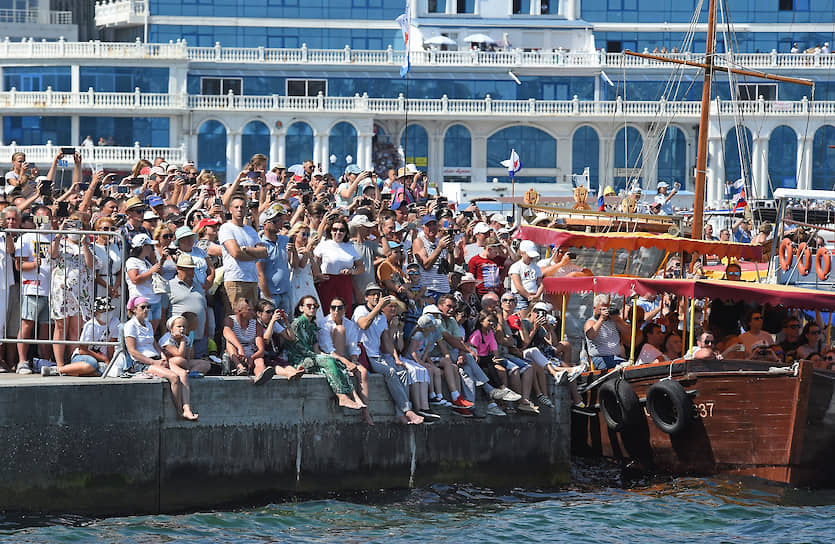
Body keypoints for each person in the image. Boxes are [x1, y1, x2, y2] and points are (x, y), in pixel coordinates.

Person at [353, 283, 424, 424]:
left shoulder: (380, 317)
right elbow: (363, 325)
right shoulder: (360, 309)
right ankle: (407, 410)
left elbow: (386, 340)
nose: (376, 296)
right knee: (390, 371)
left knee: (403, 371)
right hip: (364, 355)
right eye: (372, 294)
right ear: (366, 297)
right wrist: (378, 308)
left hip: (377, 355)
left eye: (378, 294)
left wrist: (397, 358)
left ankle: (400, 414)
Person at [124, 296, 199, 421]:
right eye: (143, 307)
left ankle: (187, 408)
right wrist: (153, 362)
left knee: (183, 375)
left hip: (156, 359)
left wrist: (162, 356)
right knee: (174, 378)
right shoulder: (130, 326)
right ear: (134, 309)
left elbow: (154, 343)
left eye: (148, 307)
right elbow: (133, 351)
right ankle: (180, 411)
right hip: (141, 363)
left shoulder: (148, 324)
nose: (146, 310)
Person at [285, 295, 366, 410]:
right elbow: (301, 349)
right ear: (301, 308)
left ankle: (353, 395)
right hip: (299, 359)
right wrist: (323, 357)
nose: (312, 308)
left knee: (336, 361)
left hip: (312, 357)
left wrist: (326, 356)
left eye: (315, 306)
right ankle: (342, 396)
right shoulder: (297, 323)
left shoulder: (312, 325)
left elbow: (316, 349)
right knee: (329, 361)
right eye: (309, 305)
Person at [317, 296, 374, 425]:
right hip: (331, 357)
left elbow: (353, 346)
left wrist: (353, 361)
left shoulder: (350, 324)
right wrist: (346, 362)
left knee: (363, 372)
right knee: (339, 329)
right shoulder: (323, 323)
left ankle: (366, 412)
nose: (336, 310)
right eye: (333, 307)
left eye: (339, 307)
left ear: (345, 309)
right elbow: (328, 349)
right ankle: (353, 397)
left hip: (346, 358)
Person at [50, 214, 97, 365]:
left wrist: (84, 244)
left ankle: (73, 362)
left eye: (78, 225)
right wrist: (59, 233)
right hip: (61, 291)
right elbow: (52, 254)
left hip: (81, 292)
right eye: (71, 225)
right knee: (61, 326)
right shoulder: (61, 242)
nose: (74, 228)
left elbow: (92, 265)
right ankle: (60, 364)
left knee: (76, 329)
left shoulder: (88, 245)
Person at [16, 205, 56, 374]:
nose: (43, 222)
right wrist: (34, 264)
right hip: (32, 288)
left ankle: (45, 361)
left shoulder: (55, 236)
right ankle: (22, 361)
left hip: (52, 291)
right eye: (40, 218)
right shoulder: (26, 238)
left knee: (46, 328)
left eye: (46, 218)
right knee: (27, 325)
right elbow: (19, 265)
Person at [42, 297, 119, 377]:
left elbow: (111, 345)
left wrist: (110, 361)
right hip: (82, 357)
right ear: (96, 313)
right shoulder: (90, 325)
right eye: (103, 311)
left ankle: (71, 372)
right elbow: (82, 350)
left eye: (109, 311)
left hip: (101, 361)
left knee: (104, 370)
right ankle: (59, 370)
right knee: (92, 364)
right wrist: (103, 358)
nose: (107, 313)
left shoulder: (115, 322)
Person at [219, 194, 268, 311]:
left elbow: (264, 252)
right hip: (235, 279)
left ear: (246, 209)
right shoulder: (226, 228)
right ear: (230, 209)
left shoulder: (250, 230)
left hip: (252, 279)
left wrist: (245, 249)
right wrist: (254, 255)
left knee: (252, 318)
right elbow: (236, 253)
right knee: (235, 316)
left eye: (242, 207)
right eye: (236, 207)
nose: (239, 210)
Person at [314, 217, 363, 315]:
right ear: (330, 231)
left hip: (345, 282)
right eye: (335, 229)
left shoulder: (350, 247)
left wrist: (351, 271)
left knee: (345, 313)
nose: (338, 232)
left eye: (342, 230)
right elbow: (312, 262)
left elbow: (361, 268)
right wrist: (317, 274)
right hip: (327, 282)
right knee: (326, 312)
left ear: (346, 232)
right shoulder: (324, 244)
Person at [222, 297, 275, 384]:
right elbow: (226, 332)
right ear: (239, 311)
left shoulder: (256, 324)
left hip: (250, 353)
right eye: (249, 310)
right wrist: (240, 348)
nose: (252, 313)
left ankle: (260, 376)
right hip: (235, 354)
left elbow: (261, 350)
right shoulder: (230, 320)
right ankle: (239, 367)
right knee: (229, 342)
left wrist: (252, 358)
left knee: (259, 360)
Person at [168, 254, 211, 358]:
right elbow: (164, 312)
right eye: (186, 269)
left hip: (200, 338)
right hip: (179, 339)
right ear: (178, 269)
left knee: (200, 366)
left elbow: (204, 310)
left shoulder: (198, 287)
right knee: (182, 363)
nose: (190, 272)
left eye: (191, 269)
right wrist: (167, 335)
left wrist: (206, 334)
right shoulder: (169, 286)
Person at [254, 298, 303, 380]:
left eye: (272, 312)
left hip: (272, 354)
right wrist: (272, 321)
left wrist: (286, 322)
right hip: (261, 355)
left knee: (284, 364)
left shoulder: (274, 324)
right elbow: (266, 340)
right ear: (259, 313)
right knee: (274, 366)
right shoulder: (256, 324)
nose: (271, 314)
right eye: (268, 312)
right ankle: (289, 374)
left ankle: (294, 372)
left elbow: (291, 338)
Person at [257, 204, 293, 314]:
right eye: (274, 221)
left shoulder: (285, 240)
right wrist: (268, 297)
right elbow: (260, 273)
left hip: (285, 293)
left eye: (279, 220)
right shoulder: (260, 245)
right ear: (265, 225)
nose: (279, 223)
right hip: (271, 295)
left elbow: (293, 263)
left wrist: (294, 251)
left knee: (286, 326)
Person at [125, 233, 163, 333]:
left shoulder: (147, 261)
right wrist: (151, 271)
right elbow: (135, 280)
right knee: (142, 330)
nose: (152, 248)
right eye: (150, 246)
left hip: (155, 300)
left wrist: (157, 261)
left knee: (152, 331)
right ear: (143, 247)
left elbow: (157, 274)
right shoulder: (131, 261)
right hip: (142, 300)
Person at [413, 215, 454, 301]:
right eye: (429, 225)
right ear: (423, 228)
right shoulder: (419, 241)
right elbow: (426, 265)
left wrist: (450, 251)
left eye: (434, 224)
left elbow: (450, 268)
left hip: (444, 289)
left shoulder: (440, 241)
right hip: (429, 288)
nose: (432, 227)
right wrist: (439, 248)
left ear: (438, 226)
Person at [159, 314, 212, 380]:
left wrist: (187, 344)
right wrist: (182, 340)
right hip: (170, 363)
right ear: (171, 328)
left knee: (206, 364)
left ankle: (191, 373)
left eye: (184, 327)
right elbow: (179, 355)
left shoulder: (187, 338)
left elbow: (190, 356)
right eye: (179, 326)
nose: (182, 328)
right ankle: (187, 372)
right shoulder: (166, 339)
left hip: (184, 362)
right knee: (180, 360)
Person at [584, 294, 630, 370]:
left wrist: (618, 320)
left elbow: (629, 332)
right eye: (602, 309)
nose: (605, 311)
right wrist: (601, 319)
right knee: (619, 368)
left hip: (617, 357)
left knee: (629, 368)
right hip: (600, 358)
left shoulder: (613, 320)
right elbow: (590, 335)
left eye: (607, 308)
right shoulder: (591, 322)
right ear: (594, 308)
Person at [508, 240, 543, 311]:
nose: (531, 258)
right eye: (529, 255)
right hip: (520, 297)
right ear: (522, 253)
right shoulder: (516, 266)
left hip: (534, 296)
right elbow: (518, 286)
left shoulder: (536, 267)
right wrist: (528, 296)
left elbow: (540, 284)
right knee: (522, 317)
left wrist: (536, 295)